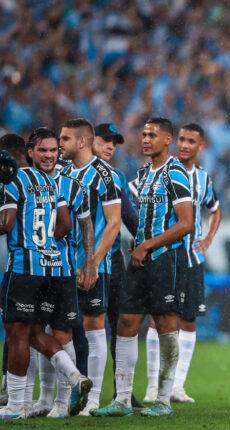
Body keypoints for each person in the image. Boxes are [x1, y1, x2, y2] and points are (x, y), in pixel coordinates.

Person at [92, 117, 193, 418]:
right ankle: (123, 399)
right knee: (125, 323)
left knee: (164, 324)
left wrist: (148, 244)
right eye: (144, 134)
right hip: (140, 258)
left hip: (164, 259)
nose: (146, 139)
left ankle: (163, 399)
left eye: (153, 135)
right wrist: (141, 246)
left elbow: (186, 223)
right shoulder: (144, 173)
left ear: (167, 140)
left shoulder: (176, 173)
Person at [0, 129, 93, 420]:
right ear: (30, 152)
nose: (49, 156)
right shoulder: (56, 184)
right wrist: (49, 246)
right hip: (53, 270)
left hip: (24, 270)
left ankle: (16, 406)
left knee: (18, 334)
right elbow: (65, 223)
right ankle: (75, 376)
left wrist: (32, 243)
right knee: (37, 333)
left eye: (53, 151)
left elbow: (5, 224)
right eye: (43, 151)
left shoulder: (15, 180)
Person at [142, 123, 221, 404]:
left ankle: (177, 385)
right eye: (182, 140)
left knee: (188, 321)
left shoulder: (202, 178)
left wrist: (209, 237)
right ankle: (153, 385)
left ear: (201, 147)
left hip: (192, 260)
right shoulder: (162, 171)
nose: (185, 145)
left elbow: (214, 208)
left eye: (191, 141)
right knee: (158, 319)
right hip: (164, 258)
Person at [58, 118, 122, 415]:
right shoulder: (62, 173)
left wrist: (92, 262)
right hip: (63, 266)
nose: (61, 144)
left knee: (94, 327)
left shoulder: (104, 175)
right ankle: (63, 396)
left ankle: (93, 399)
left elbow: (113, 223)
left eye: (66, 138)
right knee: (61, 330)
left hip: (96, 264)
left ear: (82, 142)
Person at [91, 122, 141, 410]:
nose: (110, 146)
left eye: (114, 142)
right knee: (80, 328)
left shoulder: (118, 176)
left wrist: (145, 242)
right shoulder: (72, 173)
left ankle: (123, 392)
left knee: (119, 326)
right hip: (82, 262)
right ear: (90, 141)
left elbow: (130, 217)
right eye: (105, 140)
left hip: (113, 262)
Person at [0, 133, 28, 407]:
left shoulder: (13, 182)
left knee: (16, 327)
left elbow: (6, 224)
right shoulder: (45, 179)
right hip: (49, 263)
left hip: (17, 262)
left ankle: (12, 390)